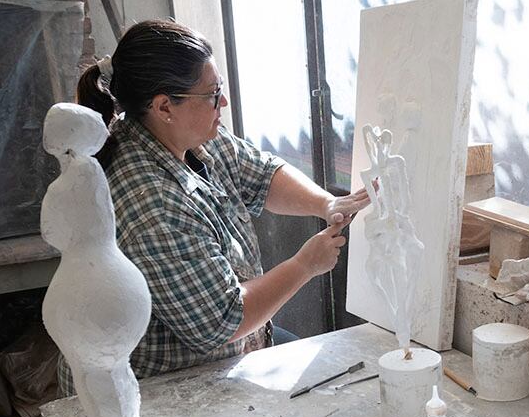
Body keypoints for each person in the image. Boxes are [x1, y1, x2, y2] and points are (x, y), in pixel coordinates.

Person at [64, 19, 369, 392]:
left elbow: (261, 173)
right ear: (164, 107)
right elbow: (221, 321)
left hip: (226, 345)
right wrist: (305, 264)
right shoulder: (152, 202)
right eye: (212, 94)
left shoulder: (187, 134)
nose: (223, 102)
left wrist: (327, 202)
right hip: (161, 387)